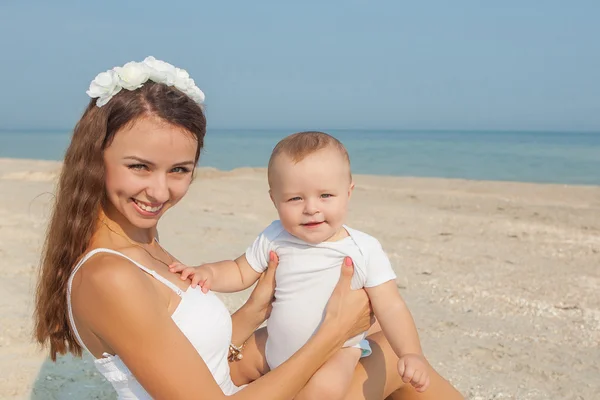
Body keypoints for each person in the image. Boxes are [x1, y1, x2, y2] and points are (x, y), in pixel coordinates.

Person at [33, 56, 464, 399]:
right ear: (95, 158)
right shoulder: (109, 276)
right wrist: (332, 332)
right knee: (388, 354)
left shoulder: (143, 243)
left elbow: (193, 356)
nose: (160, 191)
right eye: (139, 167)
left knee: (393, 360)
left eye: (179, 170)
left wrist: (254, 311)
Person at [169, 131, 429, 400]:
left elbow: (391, 306)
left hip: (335, 352)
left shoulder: (363, 249)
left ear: (348, 193)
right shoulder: (275, 236)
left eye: (326, 195)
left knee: (323, 391)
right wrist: (208, 272)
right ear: (274, 200)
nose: (311, 208)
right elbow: (239, 270)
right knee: (215, 368)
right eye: (295, 199)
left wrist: (411, 353)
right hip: (273, 345)